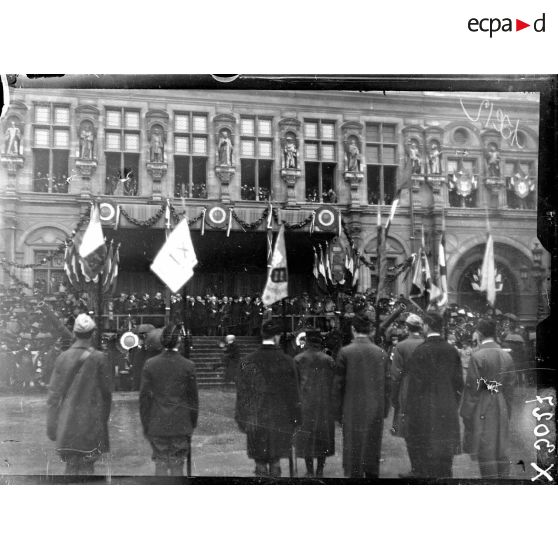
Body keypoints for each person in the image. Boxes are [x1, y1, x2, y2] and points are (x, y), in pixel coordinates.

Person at [46, 314, 112, 475]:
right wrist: (102, 424)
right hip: (90, 425)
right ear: (93, 333)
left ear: (74, 333)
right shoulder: (99, 358)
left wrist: (52, 427)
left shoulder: (62, 357)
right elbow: (106, 396)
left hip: (67, 425)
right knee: (88, 469)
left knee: (69, 469)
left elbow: (53, 397)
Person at [235, 319, 300, 478]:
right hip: (279, 420)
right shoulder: (287, 362)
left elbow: (242, 395)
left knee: (260, 463)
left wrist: (242, 419)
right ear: (277, 337)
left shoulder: (246, 361)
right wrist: (296, 420)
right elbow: (293, 395)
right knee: (275, 461)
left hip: (256, 420)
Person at [405, 312, 463, 479]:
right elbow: (458, 383)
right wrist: (452, 402)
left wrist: (411, 412)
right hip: (447, 407)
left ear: (427, 326)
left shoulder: (421, 350)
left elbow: (414, 387)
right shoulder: (452, 350)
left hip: (425, 410)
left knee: (427, 456)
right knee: (445, 458)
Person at [332, 314, 390, 479]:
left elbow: (337, 386)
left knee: (353, 450)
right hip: (374, 410)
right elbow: (387, 385)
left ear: (353, 330)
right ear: (370, 330)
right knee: (372, 448)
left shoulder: (345, 352)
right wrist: (384, 410)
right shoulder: (381, 353)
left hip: (351, 411)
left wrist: (337, 413)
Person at [139, 324, 198, 476]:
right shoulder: (188, 365)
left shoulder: (150, 364)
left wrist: (146, 425)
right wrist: (192, 424)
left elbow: (144, 399)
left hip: (157, 423)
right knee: (178, 467)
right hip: (181, 423)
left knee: (160, 465)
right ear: (178, 341)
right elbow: (193, 400)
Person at [460, 319, 515, 479]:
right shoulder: (506, 356)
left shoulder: (477, 356)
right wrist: (507, 410)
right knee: (501, 447)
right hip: (501, 402)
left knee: (485, 448)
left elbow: (472, 388)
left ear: (480, 333)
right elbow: (510, 389)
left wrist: (466, 414)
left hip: (483, 404)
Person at [294, 330, 335, 478]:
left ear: (307, 341)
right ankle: (320, 470)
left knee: (306, 438)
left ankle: (310, 470)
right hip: (324, 405)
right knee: (322, 438)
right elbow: (333, 383)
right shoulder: (328, 360)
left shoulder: (298, 359)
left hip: (305, 405)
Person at [389, 313, 424, 477]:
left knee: (409, 429)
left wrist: (394, 398)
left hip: (407, 388)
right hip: (426, 389)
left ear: (407, 328)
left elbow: (395, 375)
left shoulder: (401, 346)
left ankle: (416, 468)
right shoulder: (426, 343)